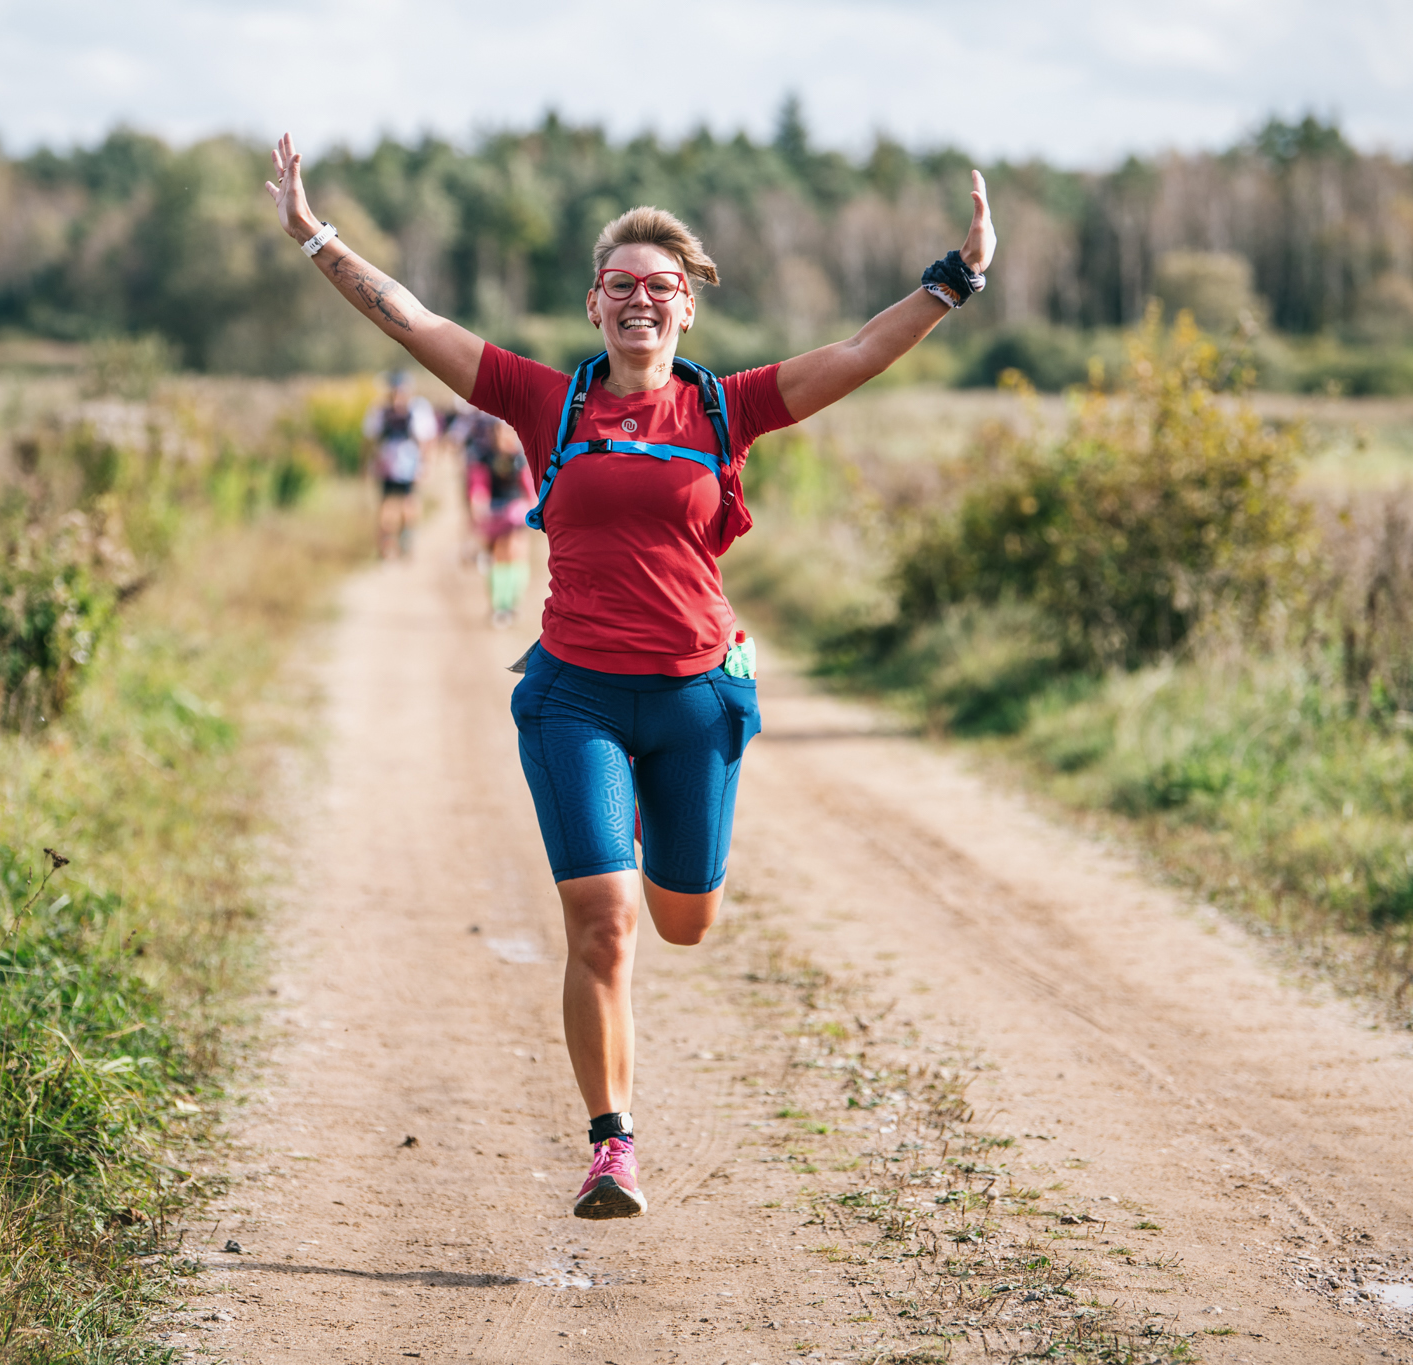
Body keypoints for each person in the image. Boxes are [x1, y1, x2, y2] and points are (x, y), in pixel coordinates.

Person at [267, 134, 995, 1219]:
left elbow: (851, 354)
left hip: (697, 697)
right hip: (577, 697)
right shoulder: (540, 402)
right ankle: (612, 1144)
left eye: (660, 286)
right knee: (602, 923)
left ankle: (656, 823)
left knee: (684, 922)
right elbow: (411, 319)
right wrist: (315, 235)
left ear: (685, 307)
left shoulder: (724, 409)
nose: (640, 302)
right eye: (620, 286)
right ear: (594, 302)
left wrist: (952, 280)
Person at [461, 413, 534, 624]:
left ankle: (511, 603)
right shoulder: (484, 457)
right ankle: (499, 604)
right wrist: (478, 508)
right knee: (499, 554)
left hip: (515, 510)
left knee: (516, 551)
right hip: (494, 512)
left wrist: (533, 508)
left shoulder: (519, 458)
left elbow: (528, 486)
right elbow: (479, 487)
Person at [362, 371, 437, 558]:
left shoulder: (417, 411)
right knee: (386, 507)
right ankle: (385, 546)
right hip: (387, 467)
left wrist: (425, 465)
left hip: (409, 467)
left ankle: (405, 539)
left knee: (408, 507)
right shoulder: (379, 412)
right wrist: (366, 464)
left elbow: (426, 441)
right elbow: (369, 441)